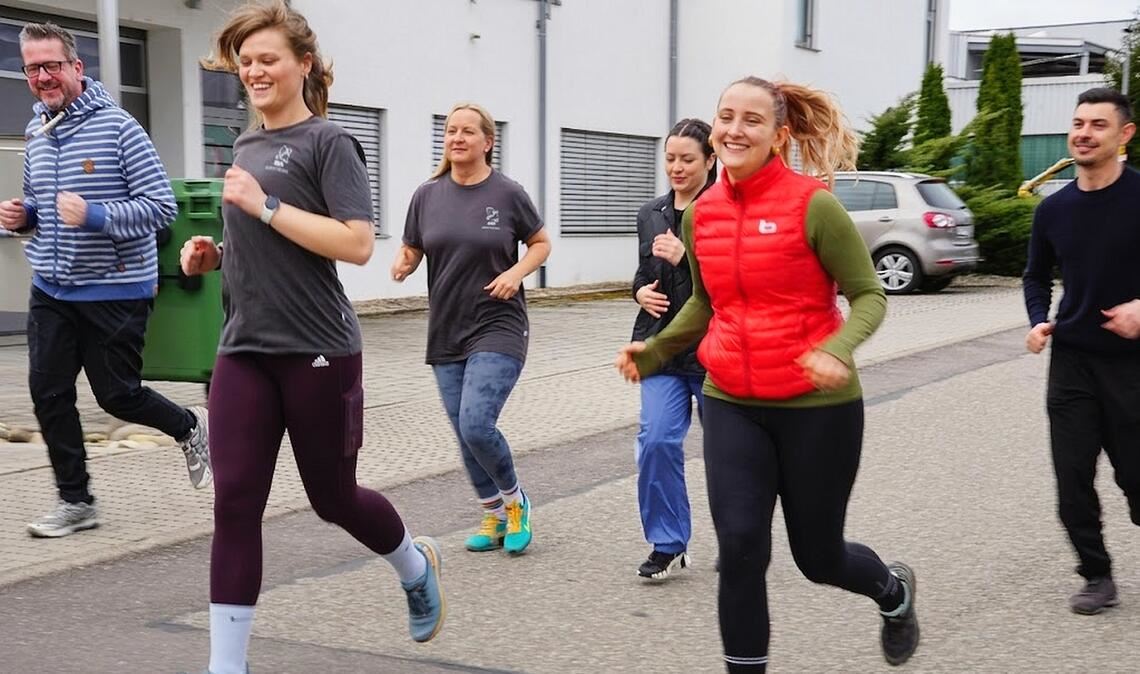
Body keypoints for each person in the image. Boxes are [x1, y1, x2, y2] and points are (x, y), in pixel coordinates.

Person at [616, 77, 919, 671]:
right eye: (726, 116)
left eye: (751, 120)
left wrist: (838, 348)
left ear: (779, 136)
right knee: (743, 548)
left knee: (818, 556)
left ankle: (892, 591)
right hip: (730, 398)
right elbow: (706, 303)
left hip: (816, 408)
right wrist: (653, 351)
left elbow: (868, 296)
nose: (734, 129)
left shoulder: (815, 205)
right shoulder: (700, 214)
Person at [179, 3, 444, 671]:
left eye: (268, 58)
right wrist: (213, 255)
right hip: (243, 348)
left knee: (332, 499)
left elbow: (355, 244)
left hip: (318, 350)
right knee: (235, 505)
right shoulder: (245, 145)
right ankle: (225, 667)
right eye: (246, 61)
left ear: (302, 64)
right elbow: (263, 248)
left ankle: (413, 564)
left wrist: (263, 207)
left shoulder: (331, 142)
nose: (255, 70)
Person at [0, 22, 210, 539]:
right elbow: (41, 206)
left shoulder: (120, 128)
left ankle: (189, 426)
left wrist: (95, 216)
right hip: (51, 285)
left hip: (115, 289)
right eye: (32, 68)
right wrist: (22, 215)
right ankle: (77, 502)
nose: (43, 76)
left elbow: (160, 208)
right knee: (48, 393)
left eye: (52, 65)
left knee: (117, 395)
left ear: (77, 67)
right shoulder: (36, 132)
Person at [392, 102, 551, 556]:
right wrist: (405, 263)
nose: (457, 138)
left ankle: (516, 502)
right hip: (447, 328)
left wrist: (516, 273)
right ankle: (494, 515)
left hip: (498, 324)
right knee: (463, 431)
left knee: (477, 423)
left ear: (487, 141)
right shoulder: (427, 195)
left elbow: (541, 243)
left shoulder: (507, 193)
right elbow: (413, 246)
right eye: (450, 131)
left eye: (467, 131)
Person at [1023, 86, 1140, 616]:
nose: (1083, 133)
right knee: (1072, 479)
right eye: (1078, 123)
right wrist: (1037, 322)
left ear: (1125, 134)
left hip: (1132, 364)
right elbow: (1034, 276)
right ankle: (1096, 574)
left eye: (1097, 124)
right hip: (1071, 360)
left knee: (1135, 476)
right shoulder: (1054, 209)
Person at [630, 118, 716, 581]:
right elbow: (642, 274)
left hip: (713, 349)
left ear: (710, 160)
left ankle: (742, 534)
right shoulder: (651, 212)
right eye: (670, 158)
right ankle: (668, 543)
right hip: (661, 346)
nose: (676, 168)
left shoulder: (725, 210)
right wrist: (639, 292)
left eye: (687, 159)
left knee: (728, 453)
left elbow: (729, 286)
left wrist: (689, 258)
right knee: (657, 441)